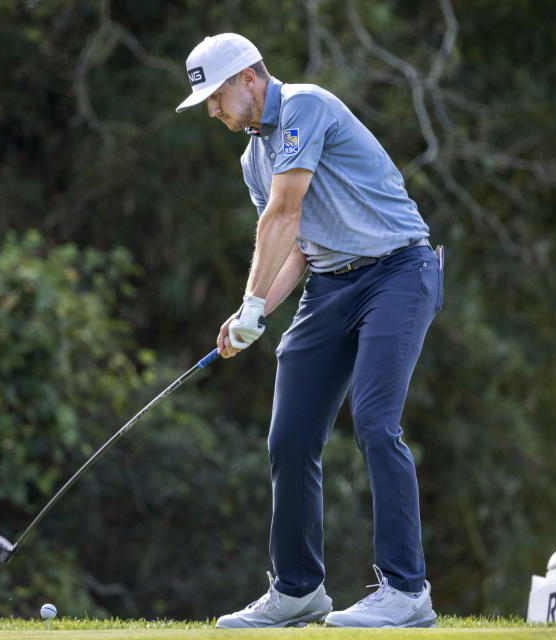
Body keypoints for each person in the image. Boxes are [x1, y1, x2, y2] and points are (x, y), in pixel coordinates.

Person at [175, 33, 442, 628]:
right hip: (329, 284)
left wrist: (249, 300)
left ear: (249, 78)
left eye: (217, 97)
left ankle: (407, 591)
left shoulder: (305, 106)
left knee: (375, 422)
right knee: (289, 438)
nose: (214, 112)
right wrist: (256, 313)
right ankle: (297, 590)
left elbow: (284, 211)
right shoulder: (253, 158)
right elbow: (295, 246)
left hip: (398, 271)